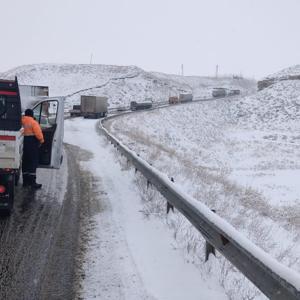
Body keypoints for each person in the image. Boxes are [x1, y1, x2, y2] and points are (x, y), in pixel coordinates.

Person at [22, 109, 44, 189]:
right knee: (32, 162)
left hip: (24, 142)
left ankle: (25, 182)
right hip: (32, 143)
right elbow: (38, 133)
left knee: (25, 162)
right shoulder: (33, 122)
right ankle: (32, 183)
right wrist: (41, 140)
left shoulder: (21, 120)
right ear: (31, 114)